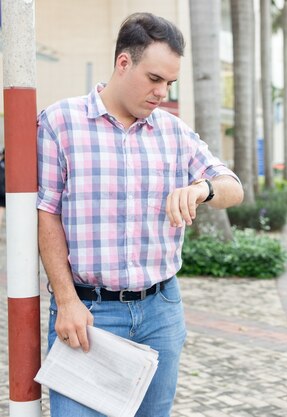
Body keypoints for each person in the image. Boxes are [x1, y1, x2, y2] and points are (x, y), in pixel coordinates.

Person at [37, 12, 243, 417]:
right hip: (88, 313)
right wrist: (66, 300)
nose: (162, 92)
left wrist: (203, 188)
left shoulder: (174, 132)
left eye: (169, 83)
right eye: (154, 79)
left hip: (161, 312)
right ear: (123, 63)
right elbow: (47, 213)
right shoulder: (60, 122)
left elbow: (232, 188)